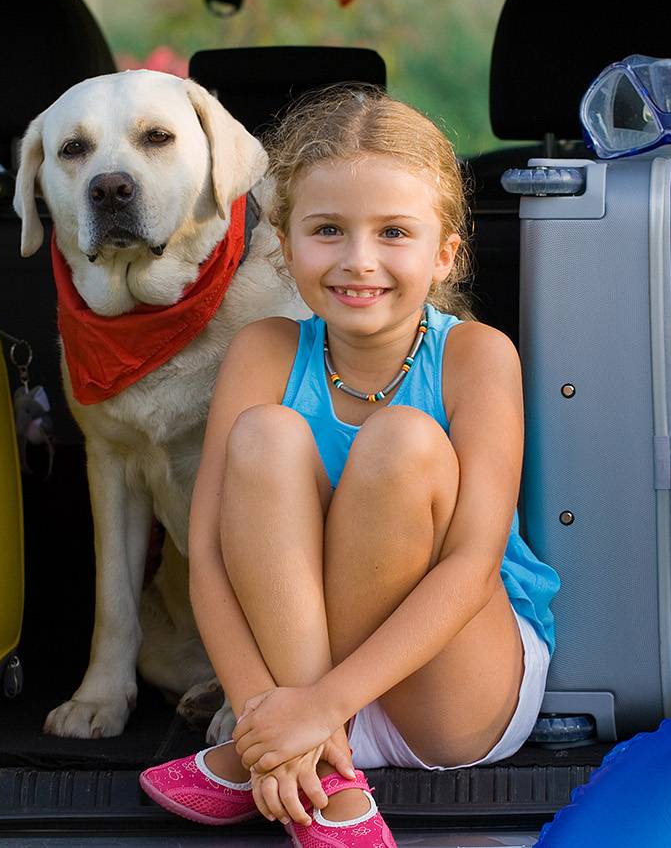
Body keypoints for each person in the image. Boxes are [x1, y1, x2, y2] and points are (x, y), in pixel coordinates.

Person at [139, 85, 560, 847]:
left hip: (450, 688)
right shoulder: (264, 351)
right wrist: (261, 703)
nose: (359, 261)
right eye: (328, 230)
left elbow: (471, 567)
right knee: (264, 436)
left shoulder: (475, 357)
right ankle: (323, 777)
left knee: (403, 441)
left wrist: (312, 708)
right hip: (293, 695)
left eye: (393, 232)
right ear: (284, 243)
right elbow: (204, 553)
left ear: (444, 254)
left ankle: (276, 754)